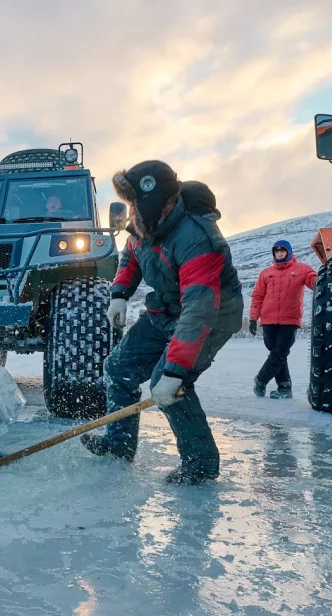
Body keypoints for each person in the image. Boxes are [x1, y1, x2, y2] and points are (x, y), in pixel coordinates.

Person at [81, 161, 243, 484]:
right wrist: (119, 294)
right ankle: (119, 444)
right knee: (119, 369)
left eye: (134, 203)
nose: (130, 212)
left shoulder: (197, 237)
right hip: (166, 310)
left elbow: (199, 308)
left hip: (213, 313)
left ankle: (201, 463)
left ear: (156, 202)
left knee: (167, 383)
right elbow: (132, 255)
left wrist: (174, 370)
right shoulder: (145, 225)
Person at [248, 240, 317, 399]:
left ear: (289, 252)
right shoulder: (266, 273)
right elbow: (257, 296)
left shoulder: (301, 269)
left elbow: (313, 280)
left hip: (290, 320)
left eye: (282, 251)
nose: (279, 254)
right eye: (276, 252)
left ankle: (261, 379)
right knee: (276, 352)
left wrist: (322, 281)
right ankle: (284, 388)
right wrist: (253, 319)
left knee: (280, 352)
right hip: (268, 319)